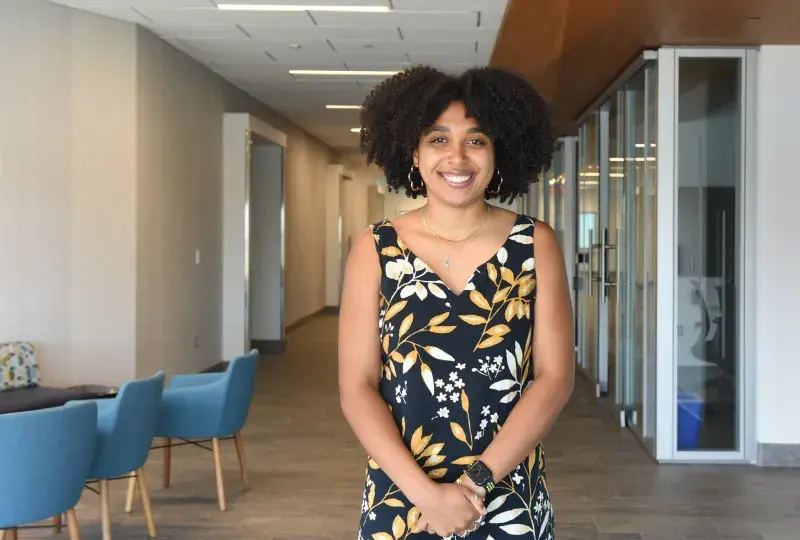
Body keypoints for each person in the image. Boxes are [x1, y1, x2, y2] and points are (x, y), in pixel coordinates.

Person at [338, 65, 575, 540]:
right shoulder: (376, 248)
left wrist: (474, 485)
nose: (458, 158)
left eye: (477, 140)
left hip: (509, 497)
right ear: (414, 151)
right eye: (439, 139)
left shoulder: (535, 243)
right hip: (400, 497)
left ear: (498, 149)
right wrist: (427, 496)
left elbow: (554, 380)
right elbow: (357, 388)